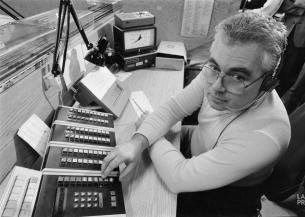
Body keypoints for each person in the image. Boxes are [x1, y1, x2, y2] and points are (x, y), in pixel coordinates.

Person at [102, 12, 290, 216]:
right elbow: (175, 108)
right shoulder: (218, 71)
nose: (216, 87)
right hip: (196, 146)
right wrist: (136, 143)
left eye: (238, 76)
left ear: (268, 84)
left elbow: (177, 178)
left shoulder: (265, 137)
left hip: (224, 196)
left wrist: (149, 132)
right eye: (214, 66)